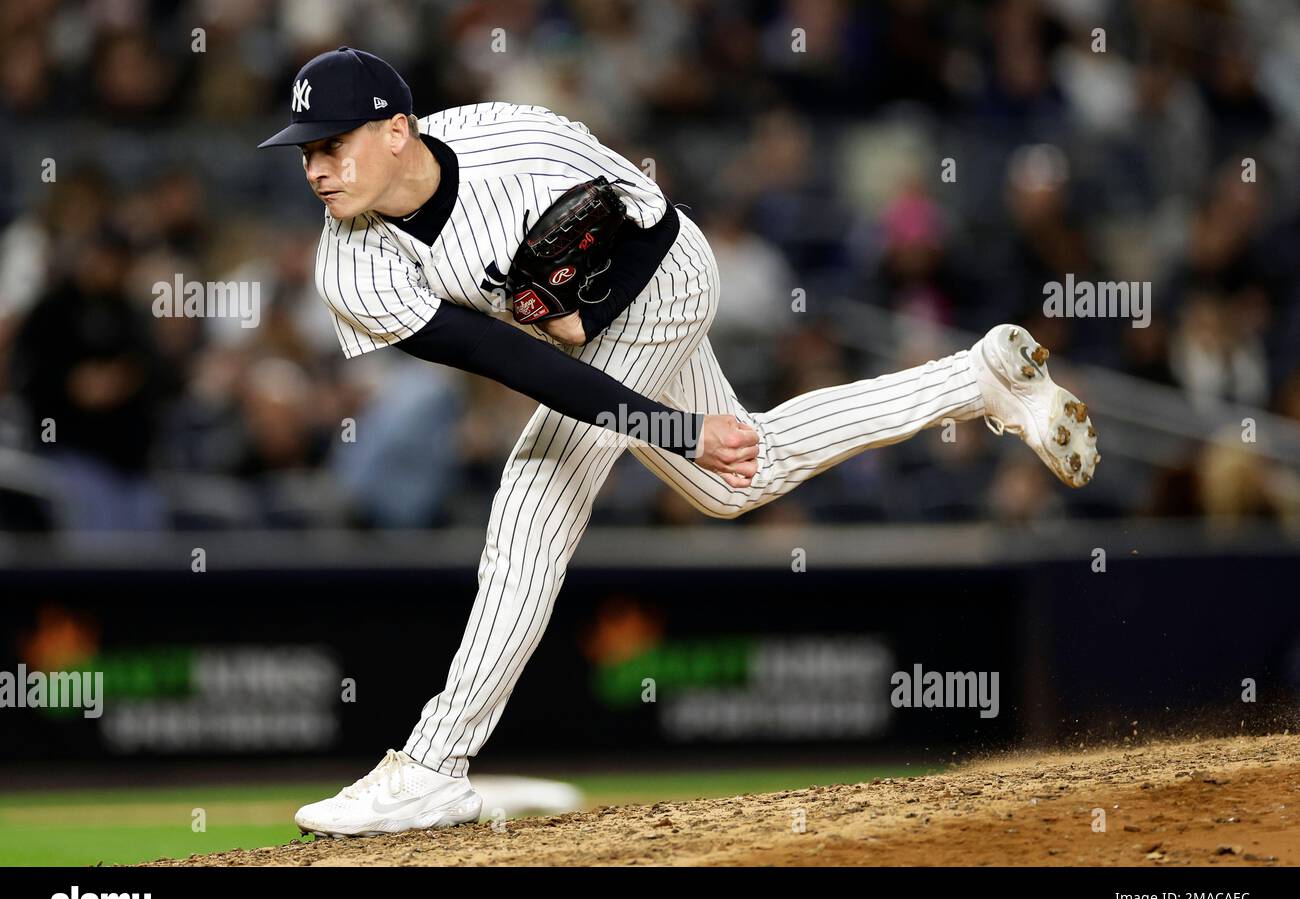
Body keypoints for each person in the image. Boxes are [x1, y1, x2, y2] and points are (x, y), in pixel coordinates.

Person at [259, 48, 1098, 838]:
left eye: (332, 144)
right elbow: (505, 357)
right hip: (569, 342)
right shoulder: (351, 267)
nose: (316, 169)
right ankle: (976, 381)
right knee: (741, 478)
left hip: (663, 271)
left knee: (535, 494)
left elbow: (651, 226)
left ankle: (435, 761)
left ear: (397, 130)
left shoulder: (517, 142)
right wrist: (639, 394)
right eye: (304, 152)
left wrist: (660, 417)